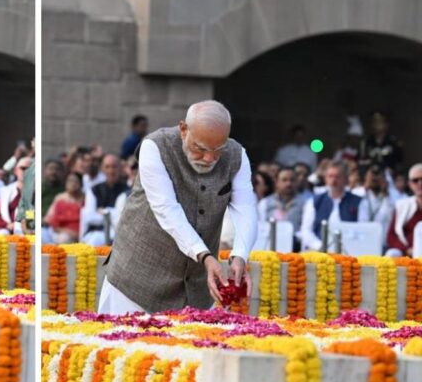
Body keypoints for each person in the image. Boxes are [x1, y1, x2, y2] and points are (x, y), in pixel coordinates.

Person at [99, 100, 257, 314]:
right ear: (184, 129)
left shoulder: (237, 155)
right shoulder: (155, 146)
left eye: (218, 150)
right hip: (135, 282)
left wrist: (240, 255)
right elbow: (166, 209)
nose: (209, 158)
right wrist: (205, 256)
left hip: (196, 288)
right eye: (200, 148)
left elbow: (246, 210)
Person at [300, 161, 362, 251]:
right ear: (325, 179)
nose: (333, 180)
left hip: (349, 250)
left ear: (345, 179)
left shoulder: (358, 202)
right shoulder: (314, 201)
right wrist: (320, 246)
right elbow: (306, 230)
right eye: (330, 176)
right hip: (319, 250)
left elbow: (362, 228)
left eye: (337, 177)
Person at [80, 154, 128, 246]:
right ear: (102, 169)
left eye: (114, 167)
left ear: (120, 169)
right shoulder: (94, 190)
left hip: (120, 235)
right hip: (96, 233)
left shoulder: (128, 190)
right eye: (107, 167)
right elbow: (90, 217)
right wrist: (114, 214)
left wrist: (105, 211)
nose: (111, 171)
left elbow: (125, 218)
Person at [258, 167, 306, 242]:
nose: (288, 184)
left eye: (292, 180)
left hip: (296, 247)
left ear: (296, 182)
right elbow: (261, 229)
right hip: (270, 245)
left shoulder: (305, 203)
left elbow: (306, 231)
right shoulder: (265, 203)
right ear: (276, 182)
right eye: (284, 180)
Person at [386, 164, 422, 257]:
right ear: (410, 184)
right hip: (406, 253)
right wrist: (406, 249)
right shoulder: (403, 206)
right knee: (391, 254)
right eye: (415, 180)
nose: (420, 183)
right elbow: (391, 236)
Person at [0, 157, 33, 235]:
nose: (26, 171)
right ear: (15, 171)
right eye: (23, 168)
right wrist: (7, 225)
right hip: (5, 229)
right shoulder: (5, 191)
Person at [357, 165, 394, 242]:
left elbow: (391, 215)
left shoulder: (392, 197)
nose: (375, 179)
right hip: (362, 241)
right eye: (372, 177)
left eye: (378, 176)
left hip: (382, 243)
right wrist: (366, 187)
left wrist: (385, 192)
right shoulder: (358, 193)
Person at [45, 172, 84, 244]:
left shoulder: (86, 199)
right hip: (58, 230)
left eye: (75, 181)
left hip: (78, 233)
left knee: (64, 239)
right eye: (70, 181)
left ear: (81, 183)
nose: (73, 184)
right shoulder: (60, 198)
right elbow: (50, 218)